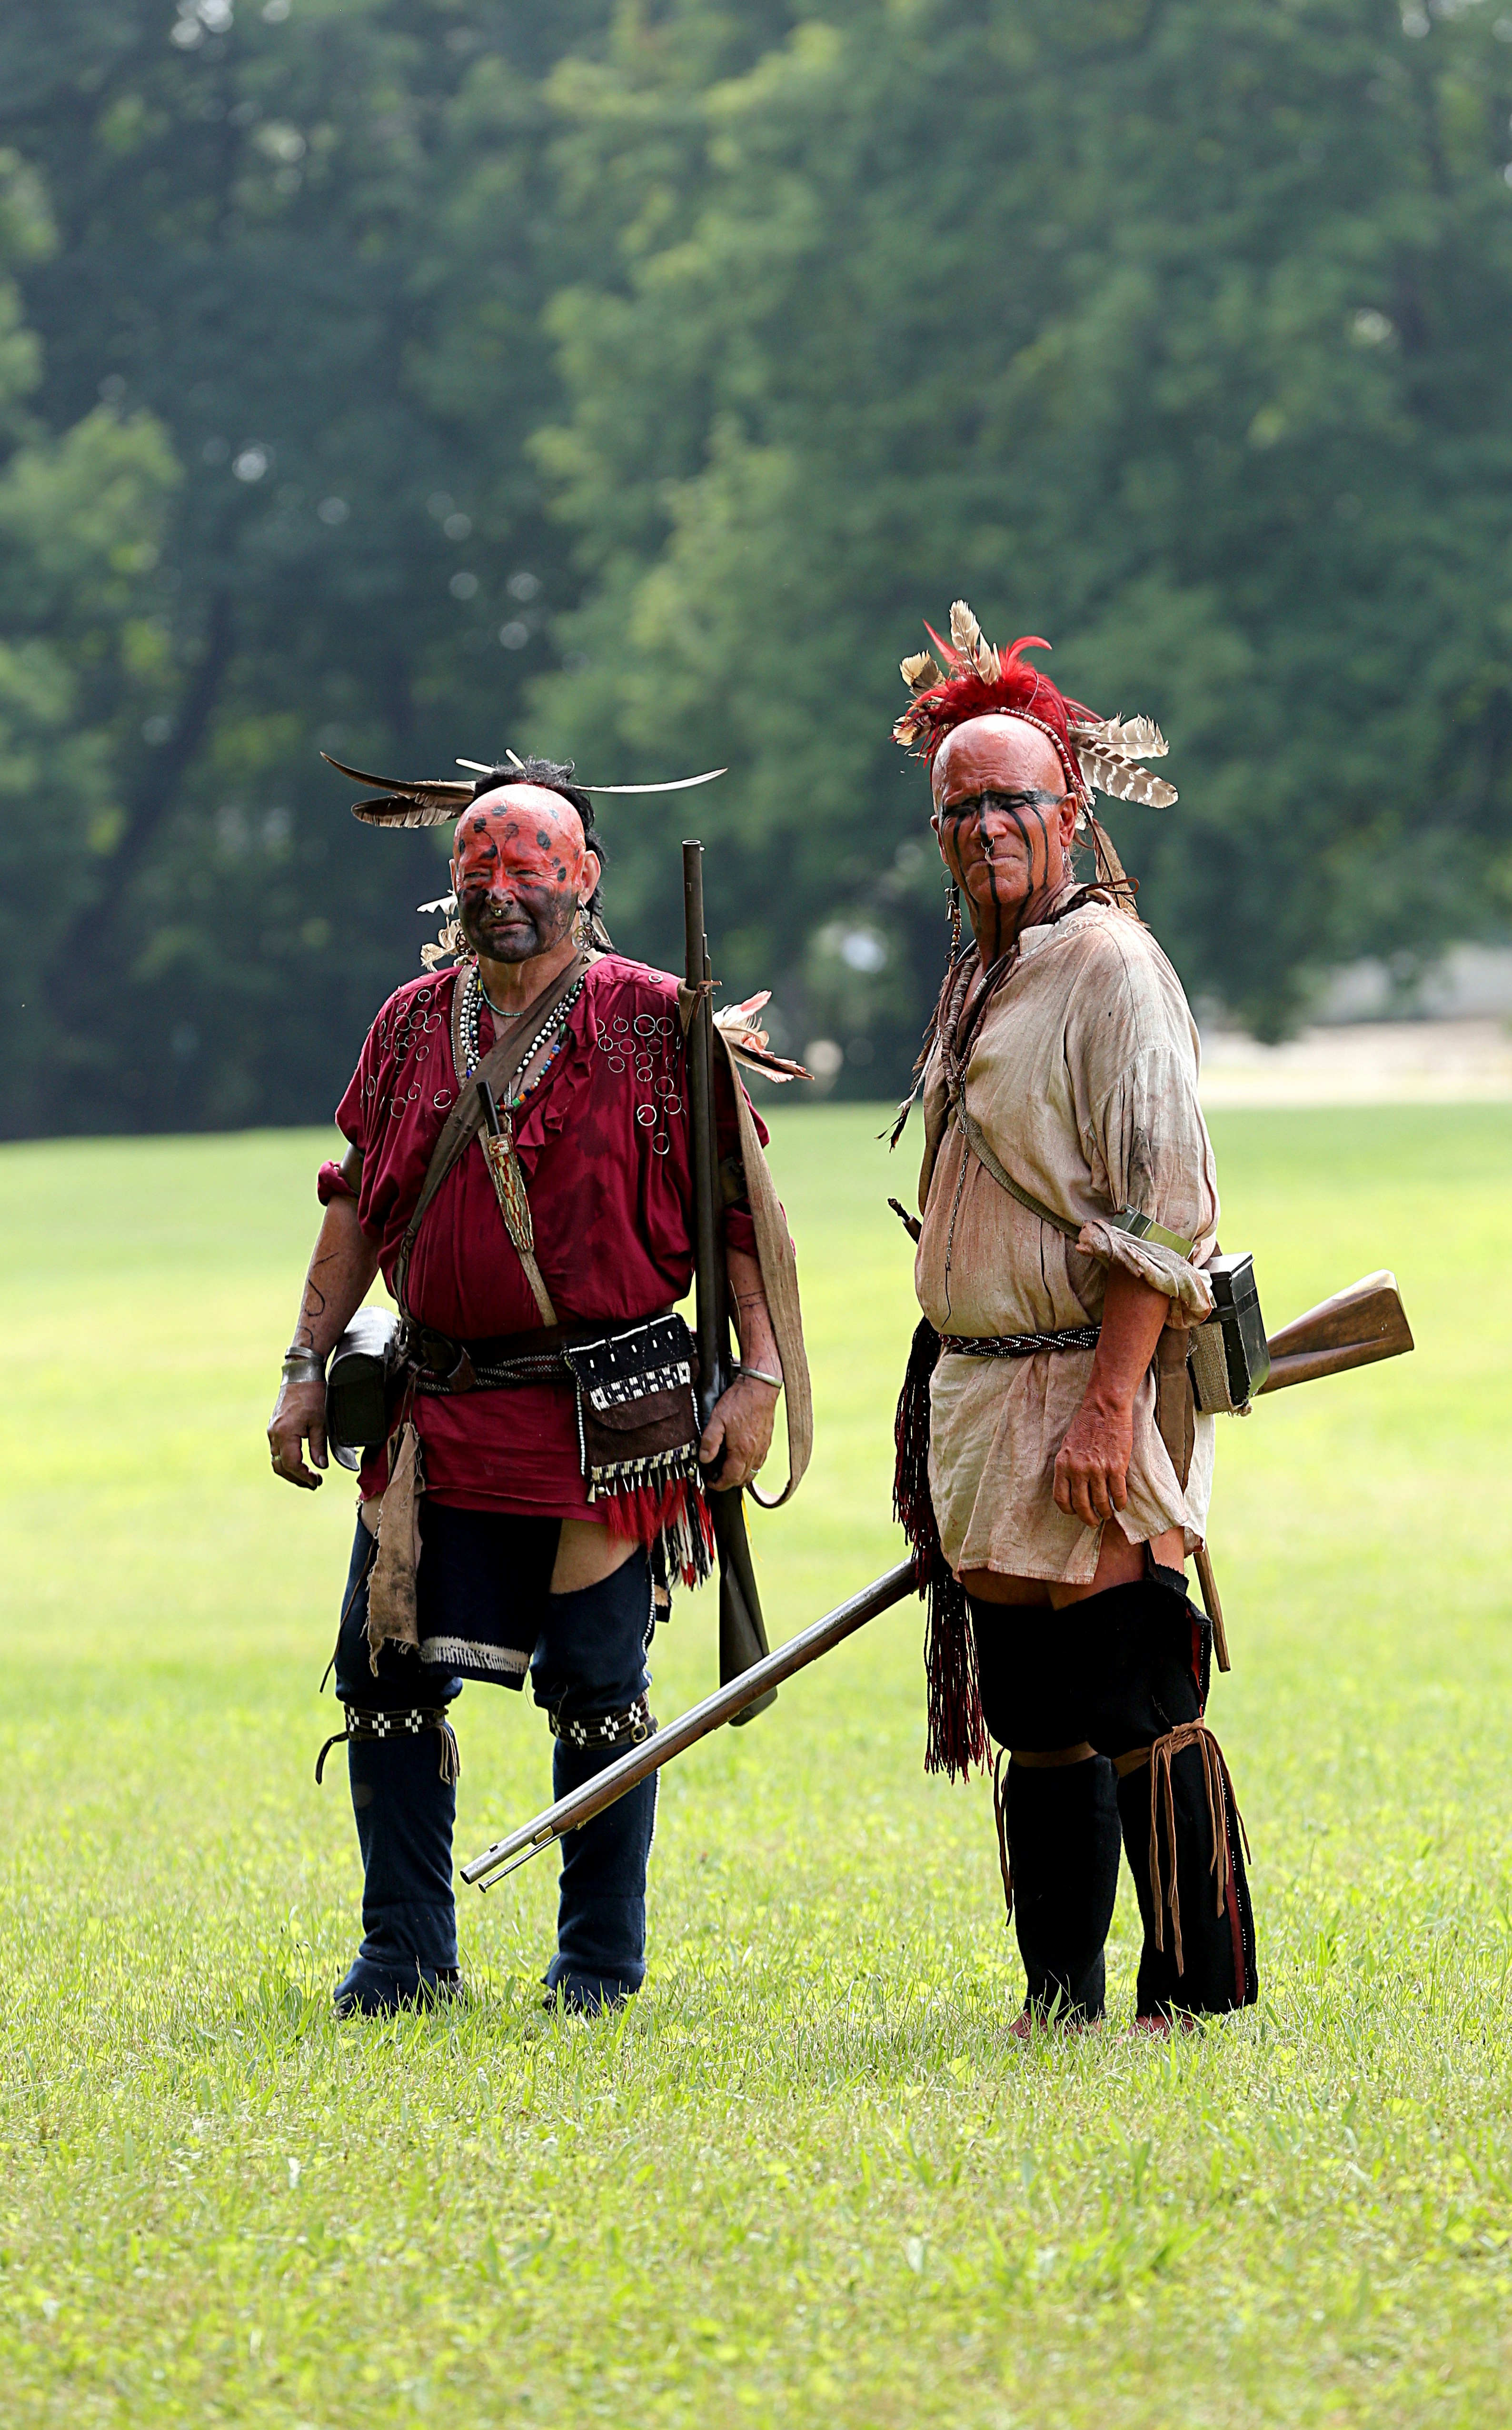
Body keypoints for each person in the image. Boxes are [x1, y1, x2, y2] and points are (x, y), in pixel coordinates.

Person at [268, 754, 806, 2016]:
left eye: (531, 868)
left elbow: (746, 1227)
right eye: (479, 868)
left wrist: (759, 1380)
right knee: (385, 1675)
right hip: (437, 1406)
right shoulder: (408, 1025)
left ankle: (598, 1968)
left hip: (604, 1408)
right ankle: (404, 1957)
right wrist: (305, 1365)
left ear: (586, 878)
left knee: (601, 1689)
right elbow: (354, 1208)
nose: (502, 889)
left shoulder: (655, 1018)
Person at [891, 603, 1255, 2034]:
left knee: (1134, 1698)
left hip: (1087, 1381)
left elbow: (1167, 1211)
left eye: (1010, 802)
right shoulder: (982, 972)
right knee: (1034, 1714)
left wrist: (1114, 1400)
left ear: (1071, 808)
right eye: (959, 807)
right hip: (981, 1395)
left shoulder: (1113, 966)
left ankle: (1196, 1991)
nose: (985, 827)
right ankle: (1062, 1996)